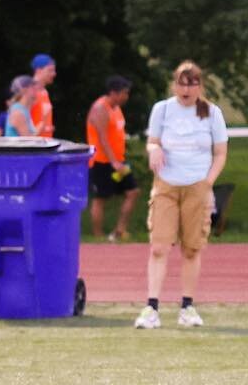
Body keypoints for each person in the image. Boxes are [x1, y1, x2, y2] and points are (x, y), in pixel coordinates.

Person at [135, 61, 228, 330]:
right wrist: (154, 150)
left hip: (197, 184)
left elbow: (220, 153)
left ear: (200, 86)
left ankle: (187, 306)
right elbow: (152, 141)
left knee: (191, 248)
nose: (186, 89)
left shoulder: (211, 113)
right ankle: (151, 307)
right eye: (181, 83)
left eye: (192, 83)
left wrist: (207, 183)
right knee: (159, 246)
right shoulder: (162, 110)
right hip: (166, 184)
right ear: (174, 84)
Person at [86, 77, 138, 242]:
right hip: (102, 161)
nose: (126, 97)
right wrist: (113, 161)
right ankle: (98, 236)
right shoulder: (100, 108)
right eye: (124, 93)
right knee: (100, 198)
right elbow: (102, 138)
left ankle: (119, 231)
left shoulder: (116, 108)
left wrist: (118, 160)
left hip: (118, 160)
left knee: (133, 192)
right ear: (114, 93)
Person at [29, 53, 56, 138]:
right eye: (50, 70)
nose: (54, 74)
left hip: (45, 146)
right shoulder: (29, 92)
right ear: (38, 70)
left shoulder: (45, 92)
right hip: (34, 147)